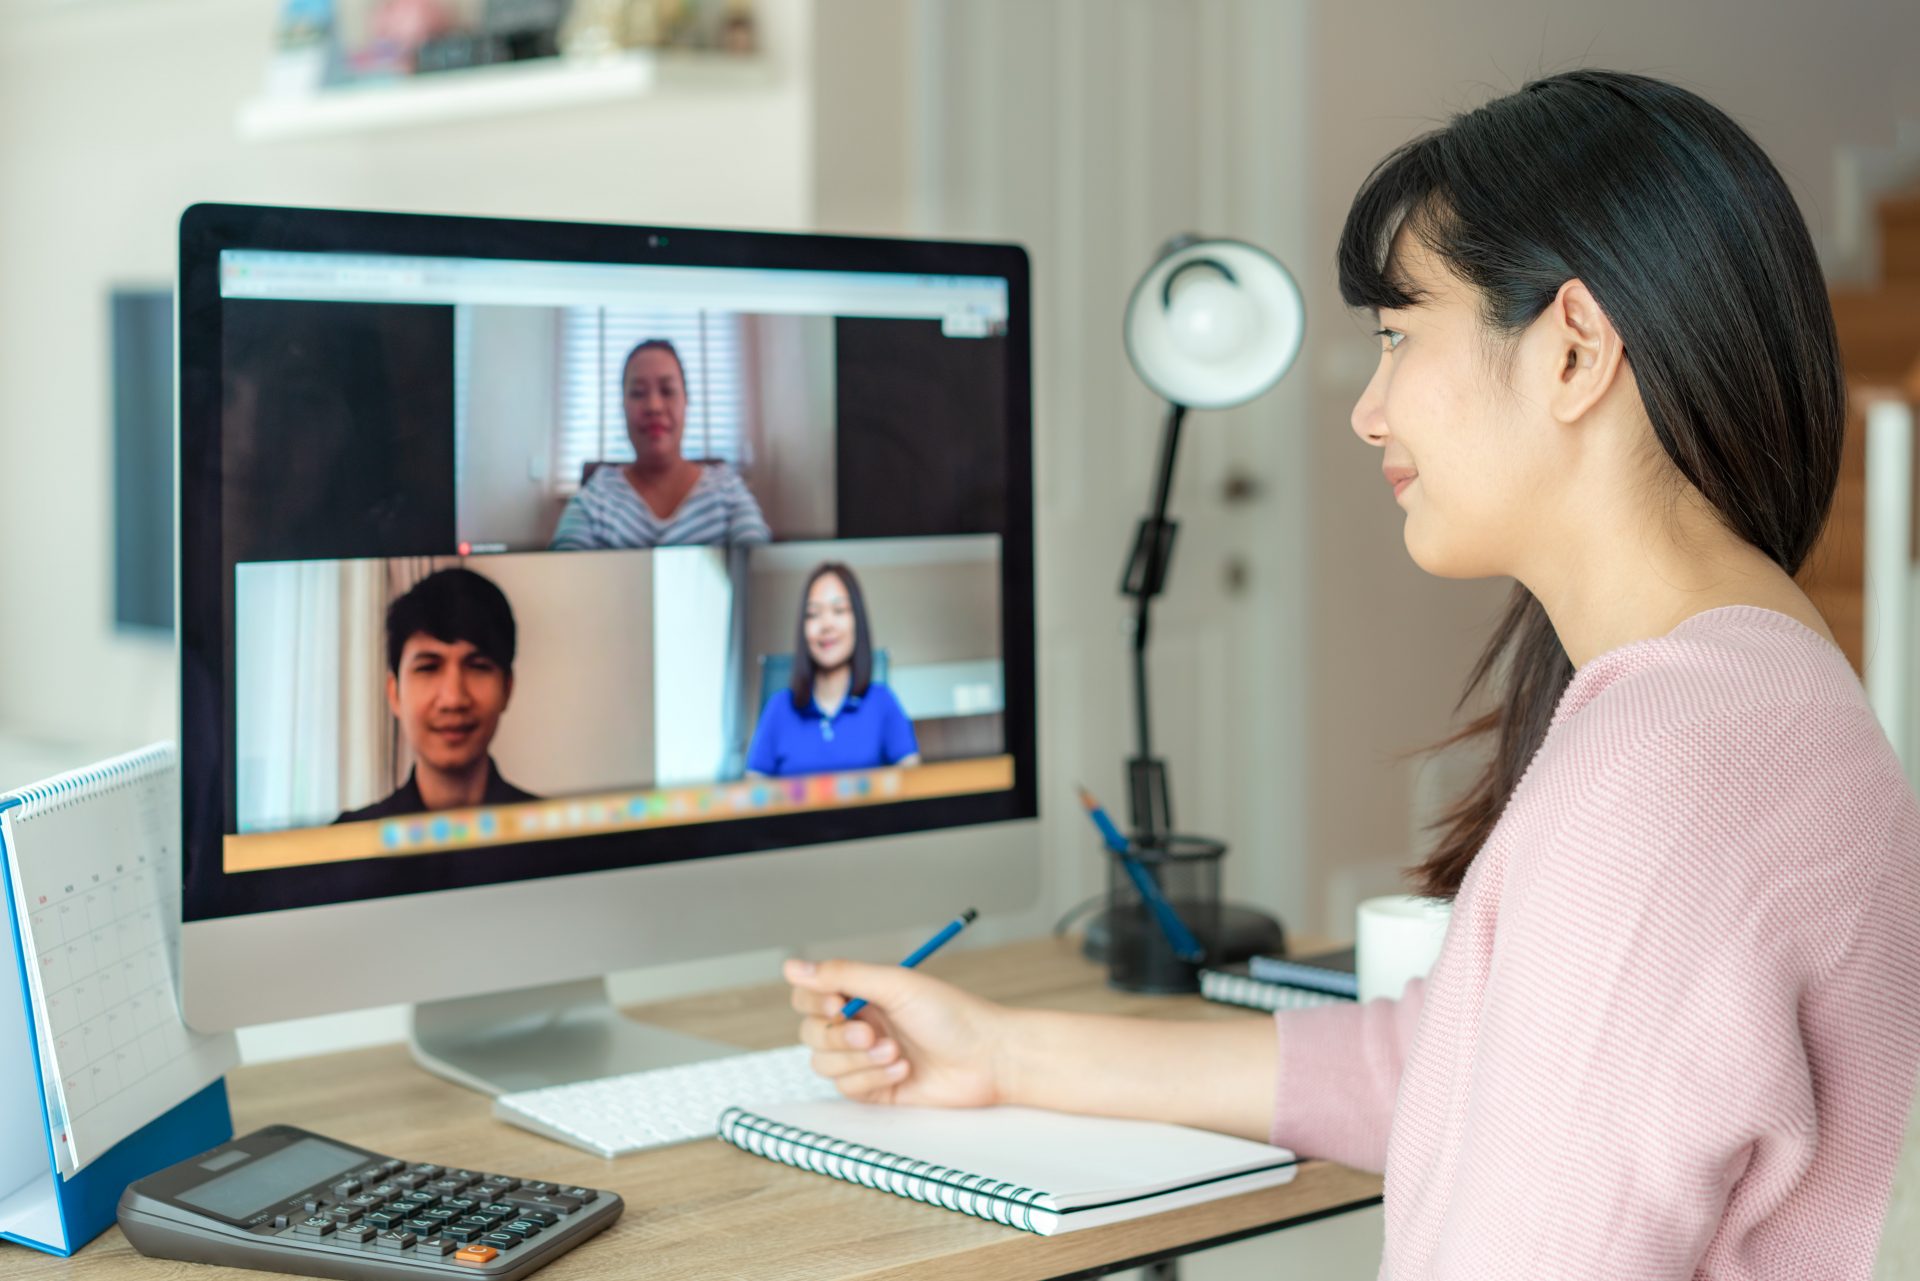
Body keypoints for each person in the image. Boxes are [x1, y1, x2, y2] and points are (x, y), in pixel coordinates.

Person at [783, 70, 1920, 1278]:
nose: (1368, 411)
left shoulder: (1664, 775)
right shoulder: (1769, 694)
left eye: (1397, 337)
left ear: (1575, 350)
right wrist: (1003, 1054)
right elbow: (1442, 1065)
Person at [336, 567, 537, 822]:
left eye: (478, 666)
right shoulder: (350, 844)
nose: (453, 699)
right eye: (429, 667)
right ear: (394, 693)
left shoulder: (559, 838)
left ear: (507, 688)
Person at [549, 339, 771, 550]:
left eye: (667, 391)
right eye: (638, 393)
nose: (654, 406)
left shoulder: (727, 490)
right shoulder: (595, 498)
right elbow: (563, 572)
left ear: (686, 401)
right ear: (622, 406)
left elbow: (760, 569)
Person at [747, 562, 921, 776]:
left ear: (857, 622)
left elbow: (913, 783)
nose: (826, 624)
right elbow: (753, 793)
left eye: (839, 610)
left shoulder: (883, 703)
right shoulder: (778, 709)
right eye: (813, 614)